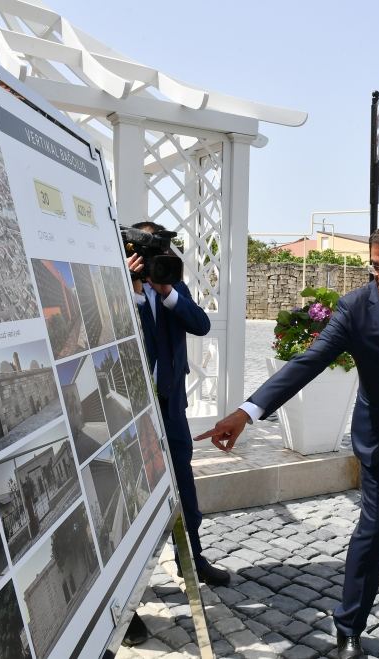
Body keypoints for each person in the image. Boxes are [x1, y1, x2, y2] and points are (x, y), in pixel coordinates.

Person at [197, 223, 379, 659]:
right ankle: (349, 628)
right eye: (376, 266)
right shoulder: (354, 308)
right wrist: (247, 412)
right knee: (372, 530)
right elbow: (307, 363)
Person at [122, 221, 229, 647]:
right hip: (128, 410)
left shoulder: (171, 285)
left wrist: (165, 293)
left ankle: (195, 559)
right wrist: (129, 289)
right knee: (130, 495)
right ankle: (129, 602)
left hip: (171, 406)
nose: (152, 264)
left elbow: (200, 325)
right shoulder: (116, 281)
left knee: (183, 480)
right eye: (147, 257)